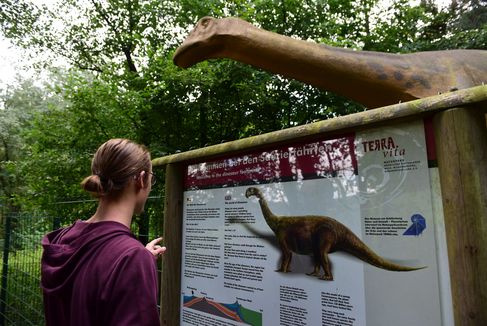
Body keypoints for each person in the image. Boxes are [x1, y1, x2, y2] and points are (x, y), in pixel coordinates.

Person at [41, 138, 166, 326]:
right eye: (151, 178)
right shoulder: (130, 258)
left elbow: (90, 272)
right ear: (141, 179)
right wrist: (135, 261)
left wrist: (135, 261)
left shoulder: (61, 239)